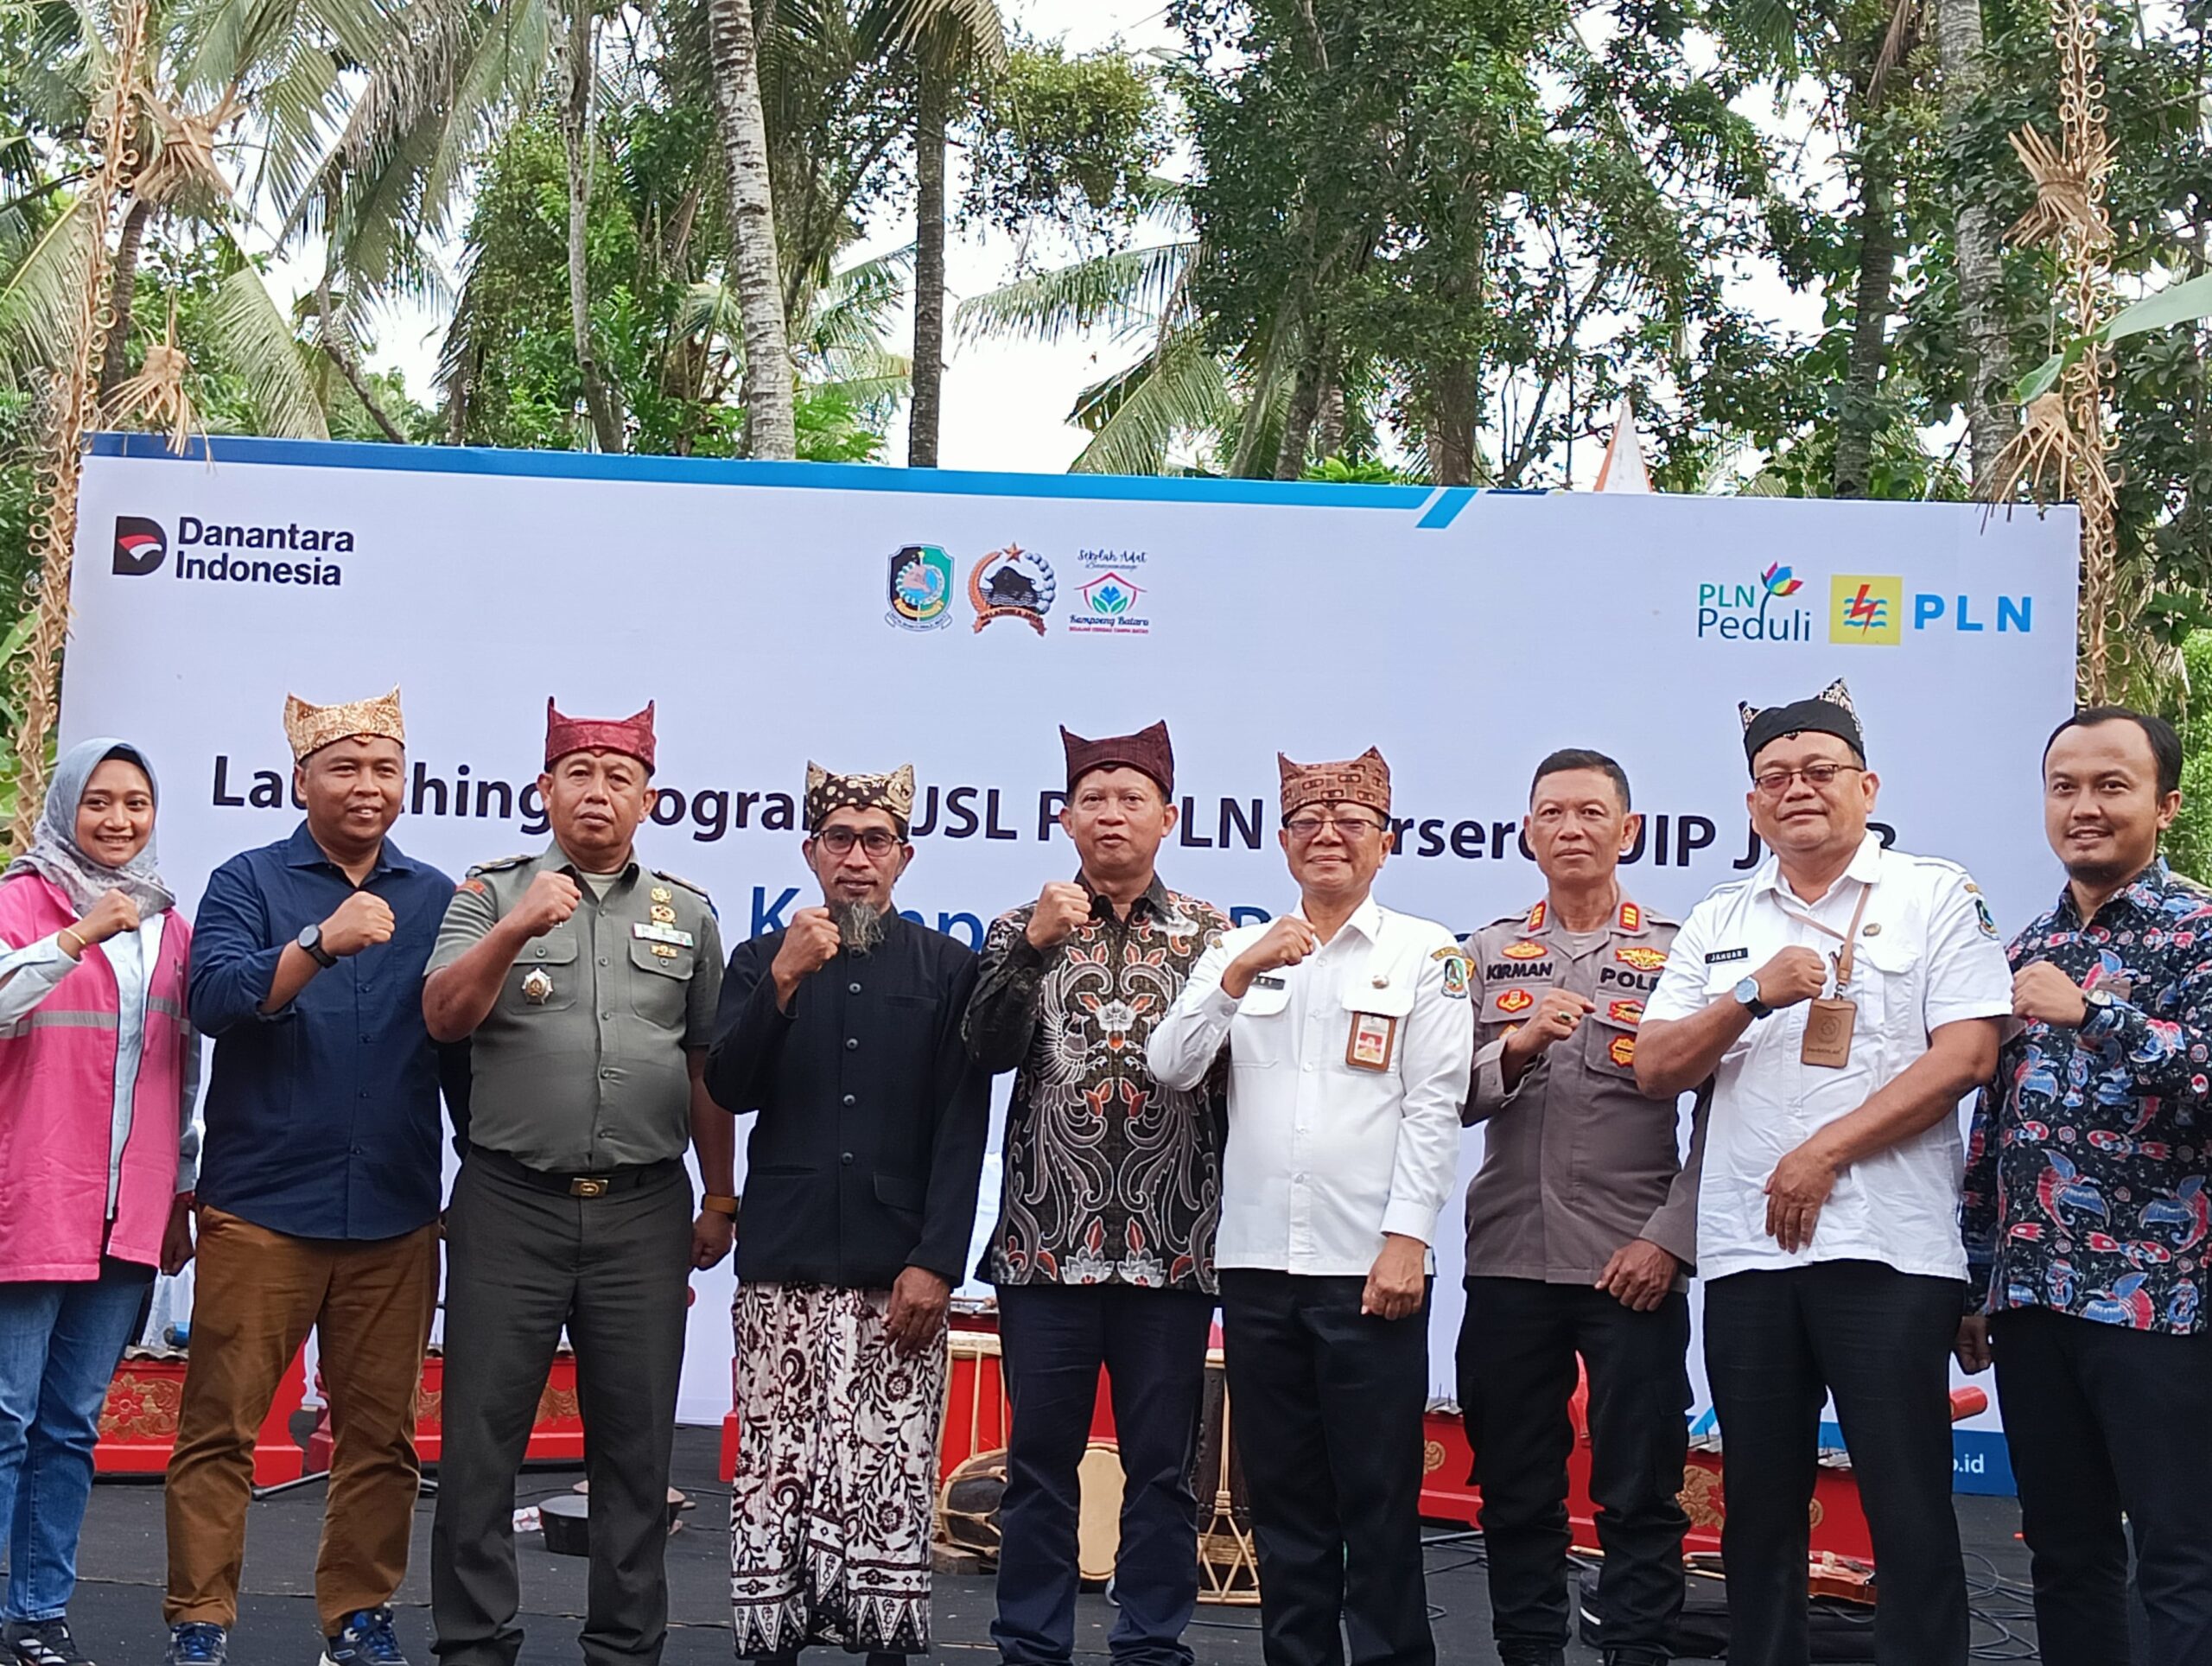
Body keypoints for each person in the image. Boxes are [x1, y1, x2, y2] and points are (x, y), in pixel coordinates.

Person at [1636, 679, 2008, 1666]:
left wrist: (1823, 1151)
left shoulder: (1933, 894)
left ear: (1865, 785)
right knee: (1759, 1507)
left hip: (1885, 1249)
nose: (1796, 788)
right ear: (1752, 805)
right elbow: (1655, 1065)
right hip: (1748, 1252)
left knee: (1907, 1500)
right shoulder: (1721, 915)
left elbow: (1968, 1053)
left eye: (1818, 769)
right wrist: (1749, 995)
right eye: (1774, 777)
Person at [1148, 747, 1471, 1666]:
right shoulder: (1237, 950)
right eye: (1307, 823)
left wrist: (1407, 1240)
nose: (1328, 836)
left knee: (1377, 1498)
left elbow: (1433, 1105)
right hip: (1258, 1264)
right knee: (1283, 1501)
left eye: (1351, 823)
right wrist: (1238, 972)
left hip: (1368, 1266)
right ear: (1284, 842)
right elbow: (1170, 1065)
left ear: (1385, 842)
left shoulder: (1426, 953)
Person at [424, 699, 729, 1666]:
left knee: (635, 1451)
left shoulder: (689, 913)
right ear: (545, 789)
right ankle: (475, 1644)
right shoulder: (488, 893)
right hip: (510, 1201)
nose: (598, 792)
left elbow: (706, 1064)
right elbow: (442, 1016)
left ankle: (625, 1648)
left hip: (643, 1208)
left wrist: (719, 1194)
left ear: (650, 800)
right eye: (580, 774)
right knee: (481, 1441)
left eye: (619, 777)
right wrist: (515, 927)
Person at [168, 690, 461, 1666]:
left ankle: (358, 1616)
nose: (367, 786)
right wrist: (316, 942)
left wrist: (477, 1184)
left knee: (381, 1439)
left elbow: (461, 1054)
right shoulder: (247, 880)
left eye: (384, 768)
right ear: (301, 781)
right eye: (344, 767)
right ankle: (200, 1619)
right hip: (262, 1208)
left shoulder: (437, 897)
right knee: (221, 1427)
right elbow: (213, 998)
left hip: (394, 1211)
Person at [708, 762, 989, 1665]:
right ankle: (772, 1646)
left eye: (876, 841)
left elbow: (961, 1128)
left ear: (904, 855)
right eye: (840, 839)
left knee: (888, 1474)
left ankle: (884, 1649)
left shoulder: (947, 967)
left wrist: (937, 1260)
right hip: (783, 1262)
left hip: (894, 1272)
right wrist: (783, 984)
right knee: (775, 1474)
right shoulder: (760, 959)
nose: (857, 858)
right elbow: (729, 1086)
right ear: (810, 853)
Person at [963, 722, 1230, 1666]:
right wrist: (1032, 950)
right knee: (1039, 1465)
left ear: (1168, 817)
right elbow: (984, 1050)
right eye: (1093, 798)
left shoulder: (1212, 935)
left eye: (1131, 798)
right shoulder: (1020, 926)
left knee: (1163, 1468)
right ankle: (1030, 1643)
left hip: (1173, 1241)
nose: (1111, 813)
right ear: (1065, 818)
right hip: (1046, 1241)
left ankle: (1150, 1641)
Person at [1958, 707, 2212, 1666]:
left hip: (2163, 1306)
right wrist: (1977, 1277)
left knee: (2180, 1557)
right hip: (2032, 1300)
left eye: (2112, 785)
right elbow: (1996, 1124)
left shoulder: (2199, 931)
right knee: (2065, 1555)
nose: (2085, 807)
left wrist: (2098, 1015)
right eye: (2065, 787)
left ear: (2165, 804)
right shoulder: (2027, 946)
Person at [1459, 748, 1707, 1666]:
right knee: (1514, 1486)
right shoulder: (1484, 953)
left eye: (1591, 812)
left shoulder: (1679, 953)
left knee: (1640, 1488)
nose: (1571, 829)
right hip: (1509, 1256)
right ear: (1526, 832)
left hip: (1631, 1259)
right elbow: (1440, 1095)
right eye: (1552, 813)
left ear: (1628, 830)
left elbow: (1727, 1114)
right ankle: (1528, 1652)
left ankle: (1637, 1652)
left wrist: (1670, 1241)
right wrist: (1515, 1047)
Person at [0, 741, 196, 1666]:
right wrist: (78, 935)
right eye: (99, 802)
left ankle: (39, 1612)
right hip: (31, 1198)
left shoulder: (170, 923)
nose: (118, 820)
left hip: (128, 1210)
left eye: (136, 802)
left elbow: (182, 1070)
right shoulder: (18, 899)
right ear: (66, 808)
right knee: (5, 1420)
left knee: (72, 1425)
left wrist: (181, 1188)